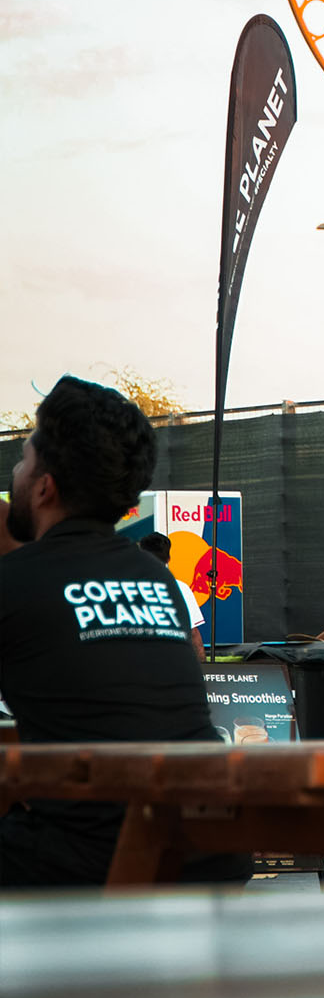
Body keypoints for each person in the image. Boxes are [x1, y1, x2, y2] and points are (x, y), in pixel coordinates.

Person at [0, 376, 246, 888]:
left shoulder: (16, 582)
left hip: (104, 862)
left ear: (45, 486)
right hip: (211, 852)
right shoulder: (154, 577)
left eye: (23, 461)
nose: (15, 473)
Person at [135, 532, 207, 662]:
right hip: (172, 662)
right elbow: (193, 633)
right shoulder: (181, 588)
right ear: (168, 558)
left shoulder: (127, 588)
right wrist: (203, 666)